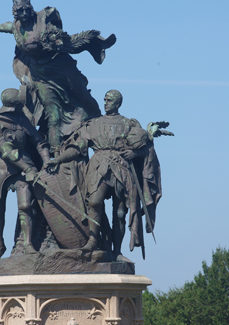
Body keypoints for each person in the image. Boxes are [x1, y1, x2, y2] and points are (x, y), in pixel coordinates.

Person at [0, 0, 116, 154]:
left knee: (83, 98)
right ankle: (56, 155)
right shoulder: (15, 27)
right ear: (15, 12)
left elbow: (65, 40)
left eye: (26, 9)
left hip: (61, 67)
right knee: (52, 115)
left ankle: (100, 130)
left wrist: (59, 43)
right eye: (20, 10)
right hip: (41, 75)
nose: (24, 13)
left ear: (30, 9)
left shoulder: (43, 23)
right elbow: (4, 27)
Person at [46, 90, 164, 260]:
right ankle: (93, 240)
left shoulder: (129, 124)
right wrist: (57, 160)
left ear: (118, 103)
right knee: (94, 202)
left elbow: (145, 149)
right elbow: (77, 147)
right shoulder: (93, 124)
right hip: (98, 165)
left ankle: (117, 251)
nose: (105, 103)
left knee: (120, 212)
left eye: (109, 100)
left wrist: (134, 153)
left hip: (121, 168)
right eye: (105, 100)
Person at [0, 87, 50, 263]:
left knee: (25, 205)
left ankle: (28, 244)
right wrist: (27, 168)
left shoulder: (22, 120)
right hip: (0, 169)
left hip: (22, 167)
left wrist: (46, 159)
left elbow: (38, 140)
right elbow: (5, 150)